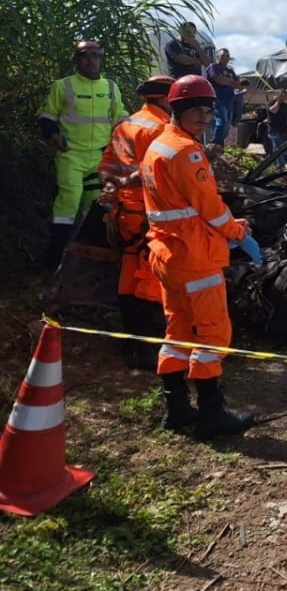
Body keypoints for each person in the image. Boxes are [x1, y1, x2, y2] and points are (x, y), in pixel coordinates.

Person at [140, 74, 261, 440]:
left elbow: (181, 208)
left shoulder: (159, 145)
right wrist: (239, 232)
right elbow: (210, 208)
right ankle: (211, 415)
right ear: (176, 109)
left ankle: (177, 410)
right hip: (195, 258)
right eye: (197, 111)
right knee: (212, 334)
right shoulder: (185, 152)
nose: (205, 118)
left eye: (209, 111)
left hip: (167, 255)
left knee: (177, 331)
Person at [97, 75, 176, 372]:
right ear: (166, 100)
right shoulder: (161, 129)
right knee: (150, 280)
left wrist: (113, 188)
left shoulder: (125, 125)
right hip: (148, 216)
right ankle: (146, 350)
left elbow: (105, 167)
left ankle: (129, 342)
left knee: (129, 277)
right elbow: (161, 177)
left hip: (124, 216)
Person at [37, 40, 130, 271]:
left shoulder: (111, 87)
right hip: (71, 155)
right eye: (85, 56)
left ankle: (89, 260)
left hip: (100, 156)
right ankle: (55, 259)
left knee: (97, 206)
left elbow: (120, 117)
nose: (91, 60)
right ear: (77, 60)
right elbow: (47, 115)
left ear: (101, 59)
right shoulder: (63, 86)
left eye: (96, 56)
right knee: (68, 201)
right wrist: (53, 134)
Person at [204, 48, 239, 147]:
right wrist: (231, 82)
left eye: (227, 56)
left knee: (227, 126)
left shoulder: (230, 71)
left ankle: (219, 145)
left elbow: (238, 84)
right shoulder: (213, 67)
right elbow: (219, 80)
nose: (225, 58)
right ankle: (215, 144)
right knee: (221, 123)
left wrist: (231, 82)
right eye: (223, 56)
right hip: (218, 99)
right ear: (217, 57)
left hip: (229, 100)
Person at [266, 90, 287, 166]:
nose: (283, 98)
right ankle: (281, 165)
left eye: (284, 96)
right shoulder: (271, 103)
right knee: (278, 147)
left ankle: (273, 164)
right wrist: (277, 101)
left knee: (279, 148)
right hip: (273, 130)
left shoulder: (285, 105)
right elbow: (274, 111)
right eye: (281, 96)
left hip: (283, 129)